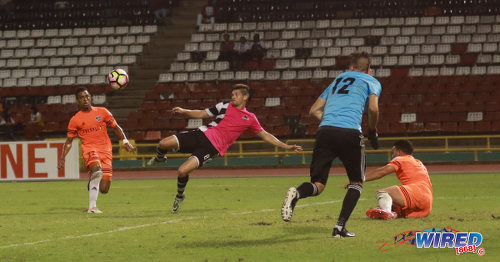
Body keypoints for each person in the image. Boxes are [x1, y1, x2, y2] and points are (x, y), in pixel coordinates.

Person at [148, 84, 303, 213]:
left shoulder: (250, 118)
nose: (233, 96)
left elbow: (265, 135)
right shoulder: (224, 106)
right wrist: (184, 111)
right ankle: (160, 158)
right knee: (163, 144)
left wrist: (285, 146)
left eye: (236, 94)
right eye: (232, 94)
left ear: (245, 97)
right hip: (200, 134)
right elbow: (203, 113)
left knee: (182, 171)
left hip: (212, 148)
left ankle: (180, 196)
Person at [280, 51, 381, 238]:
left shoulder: (338, 79)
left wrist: (329, 121)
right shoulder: (371, 81)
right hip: (350, 131)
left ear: (351, 67)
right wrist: (372, 131)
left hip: (325, 131)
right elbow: (373, 108)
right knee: (357, 182)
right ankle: (340, 227)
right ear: (369, 69)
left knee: (318, 184)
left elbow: (314, 110)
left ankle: (298, 194)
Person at [57, 87, 134, 213]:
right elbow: (69, 142)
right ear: (77, 101)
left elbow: (116, 127)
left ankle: (93, 177)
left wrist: (125, 141)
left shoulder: (102, 112)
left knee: (104, 189)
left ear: (90, 97)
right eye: (82, 97)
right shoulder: (75, 120)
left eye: (87, 96)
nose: (85, 99)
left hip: (105, 150)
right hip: (89, 148)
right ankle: (92, 207)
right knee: (97, 170)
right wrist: (62, 158)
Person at [363, 140, 433, 219]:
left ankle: (387, 212)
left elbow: (382, 172)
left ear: (398, 151)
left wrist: (361, 179)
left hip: (416, 192)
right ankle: (392, 214)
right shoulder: (418, 162)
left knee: (382, 192)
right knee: (395, 208)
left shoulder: (400, 159)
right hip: (427, 200)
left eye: (394, 151)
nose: (393, 155)